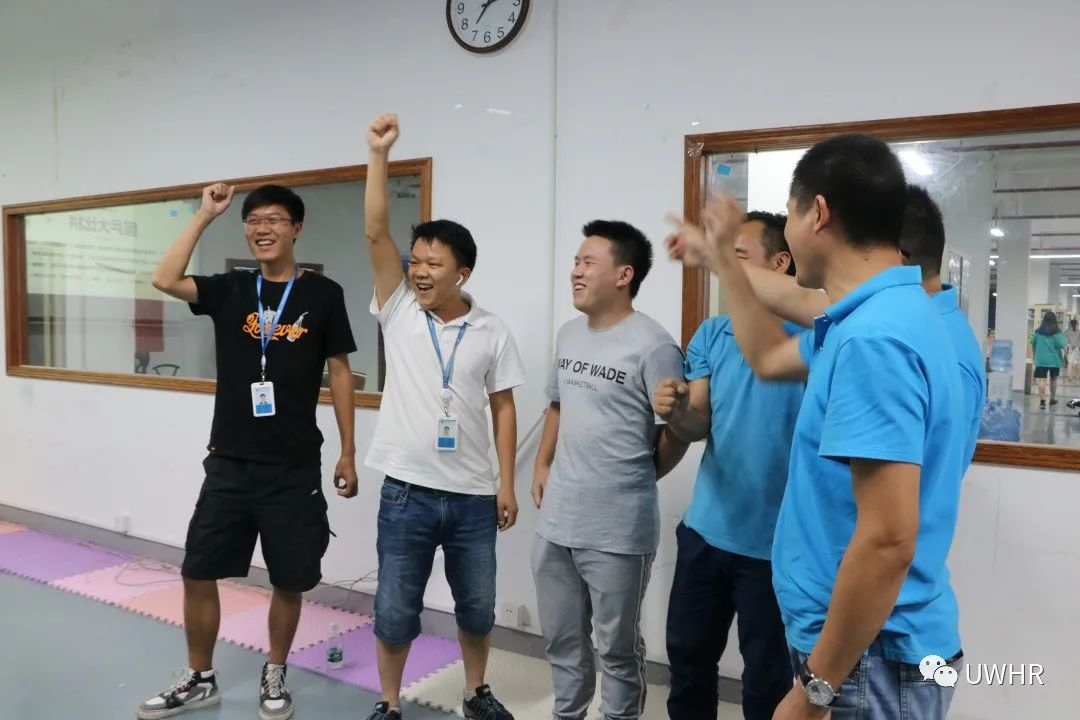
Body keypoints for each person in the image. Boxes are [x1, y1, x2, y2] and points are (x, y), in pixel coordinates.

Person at [667, 134, 967, 720]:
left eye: (791, 211)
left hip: (870, 657)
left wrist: (815, 690)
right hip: (861, 647)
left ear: (818, 214)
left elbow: (887, 540)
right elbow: (768, 355)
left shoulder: (873, 339)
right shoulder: (881, 315)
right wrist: (723, 258)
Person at [139, 183, 359, 720]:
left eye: (275, 219)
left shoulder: (323, 294)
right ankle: (200, 677)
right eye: (253, 220)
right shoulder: (232, 289)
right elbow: (164, 278)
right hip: (230, 461)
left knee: (289, 578)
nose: (262, 228)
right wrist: (204, 215)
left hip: (293, 465)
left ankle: (275, 669)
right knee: (198, 569)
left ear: (296, 229)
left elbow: (339, 371)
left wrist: (348, 451)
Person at [363, 114, 525, 720]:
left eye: (434, 263)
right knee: (394, 608)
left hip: (474, 497)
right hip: (406, 490)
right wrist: (378, 155)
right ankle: (388, 703)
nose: (420, 271)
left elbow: (504, 408)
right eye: (416, 261)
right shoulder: (399, 309)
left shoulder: (492, 330)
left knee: (476, 608)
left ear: (463, 273)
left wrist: (505, 483)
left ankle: (476, 692)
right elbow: (375, 231)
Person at [531, 221, 688, 720]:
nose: (575, 272)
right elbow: (557, 404)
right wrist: (542, 463)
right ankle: (568, 713)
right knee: (561, 639)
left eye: (587, 262)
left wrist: (638, 476)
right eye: (575, 262)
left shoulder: (654, 345)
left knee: (617, 650)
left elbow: (678, 429)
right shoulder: (569, 334)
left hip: (618, 529)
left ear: (624, 275)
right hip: (557, 520)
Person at [652, 212, 803, 720]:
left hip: (775, 547)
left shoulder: (811, 339)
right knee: (689, 665)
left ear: (780, 264)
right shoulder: (714, 333)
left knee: (767, 684)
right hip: (705, 534)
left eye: (737, 256)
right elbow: (699, 424)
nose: (725, 268)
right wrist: (677, 412)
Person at [722, 184, 985, 462]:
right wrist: (718, 256)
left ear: (896, 257)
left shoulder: (886, 342)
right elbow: (790, 314)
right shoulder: (872, 318)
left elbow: (904, 484)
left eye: (857, 249)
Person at [1032, 310, 1068, 409]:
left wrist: (1034, 357)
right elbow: (1064, 345)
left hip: (1041, 360)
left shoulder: (1038, 332)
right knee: (1054, 379)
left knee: (1042, 380)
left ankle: (1042, 402)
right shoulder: (1058, 333)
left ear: (1044, 320)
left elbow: (1033, 345)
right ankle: (1052, 398)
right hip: (1054, 360)